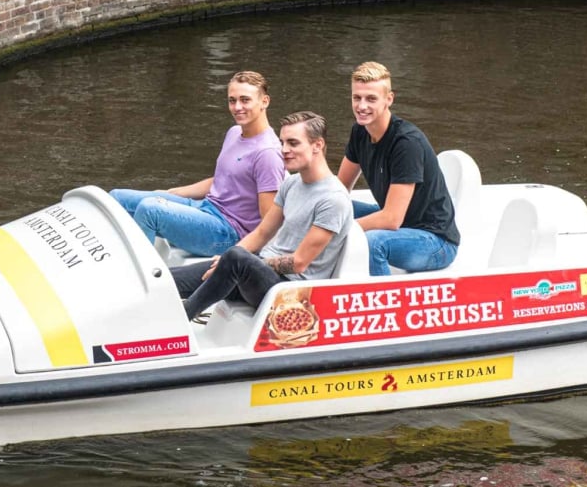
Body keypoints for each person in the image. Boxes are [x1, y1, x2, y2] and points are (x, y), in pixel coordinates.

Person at [174, 111, 352, 321]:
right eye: (282, 142)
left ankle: (179, 325)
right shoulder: (291, 183)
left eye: (293, 143)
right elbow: (262, 232)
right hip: (258, 273)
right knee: (169, 278)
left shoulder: (333, 199)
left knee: (236, 257)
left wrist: (239, 262)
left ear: (317, 145)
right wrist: (226, 263)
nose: (284, 150)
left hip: (292, 292)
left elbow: (299, 263)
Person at [111, 71, 285, 258]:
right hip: (206, 207)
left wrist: (238, 256)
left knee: (149, 210)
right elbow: (223, 179)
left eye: (245, 100)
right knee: (117, 198)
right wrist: (172, 193)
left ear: (264, 101)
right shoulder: (234, 132)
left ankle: (139, 278)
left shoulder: (267, 154)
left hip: (227, 234)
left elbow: (269, 222)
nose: (237, 107)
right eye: (232, 100)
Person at [337, 61, 460, 276]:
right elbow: (338, 190)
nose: (362, 106)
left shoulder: (406, 143)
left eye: (371, 99)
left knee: (372, 243)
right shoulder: (360, 131)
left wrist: (337, 231)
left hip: (435, 240)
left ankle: (382, 305)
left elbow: (391, 219)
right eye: (357, 98)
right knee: (333, 207)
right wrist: (326, 215)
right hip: (402, 224)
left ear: (389, 99)